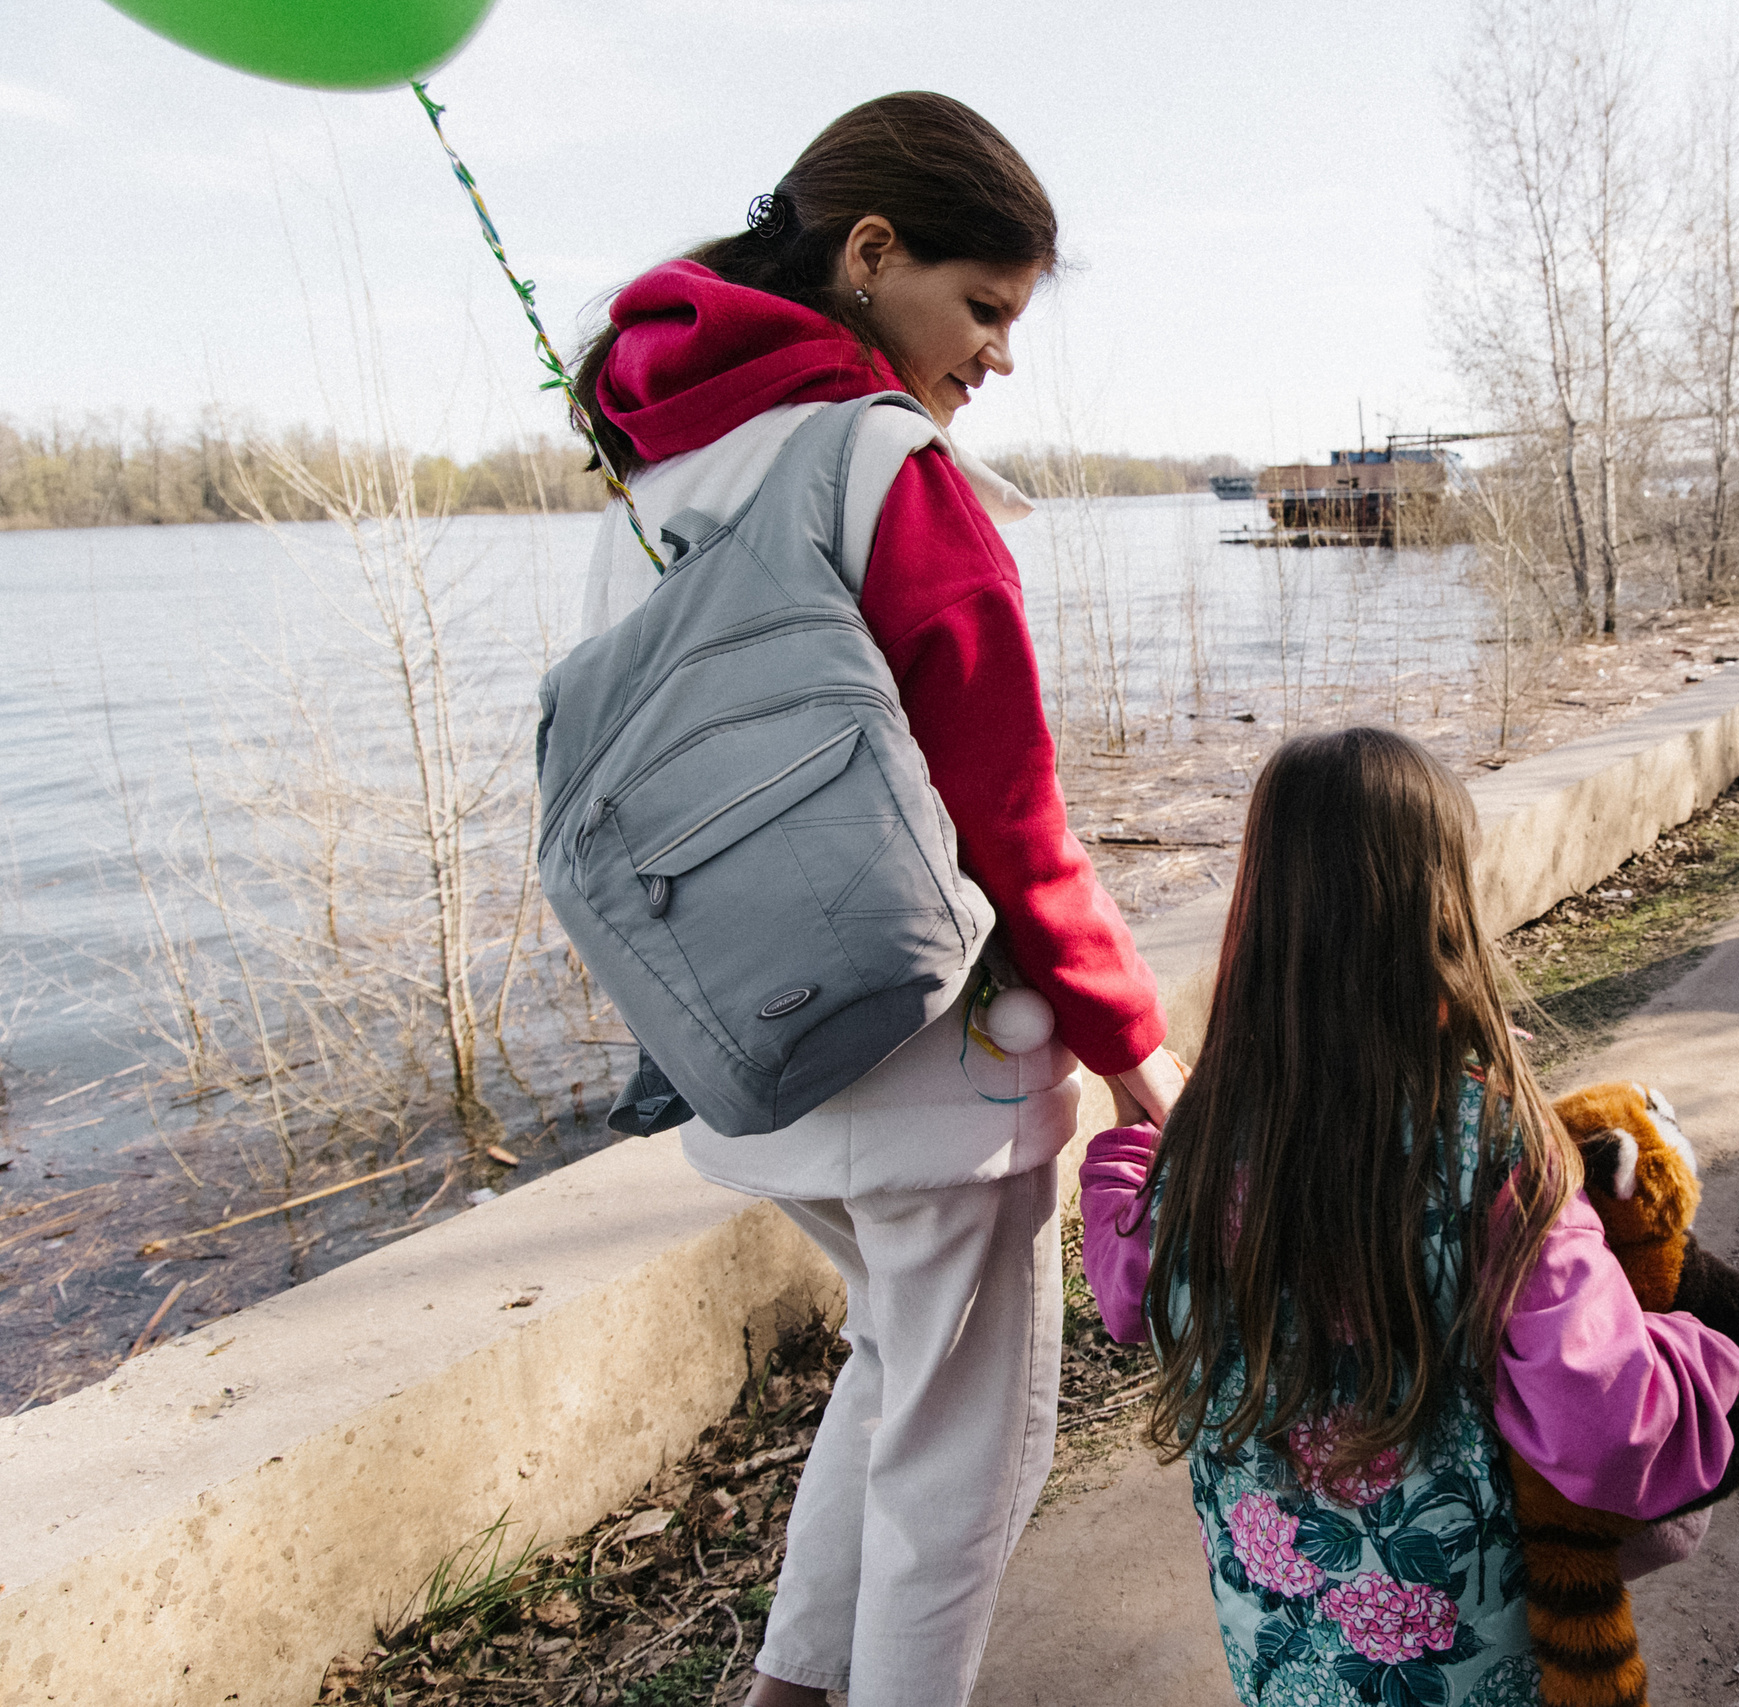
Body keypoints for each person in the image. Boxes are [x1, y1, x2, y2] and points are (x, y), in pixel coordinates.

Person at [571, 92, 1187, 1707]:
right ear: (868, 252)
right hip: (929, 1062)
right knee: (967, 1455)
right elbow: (1010, 816)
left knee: (893, 1372)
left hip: (750, 1052)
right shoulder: (881, 463)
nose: (999, 355)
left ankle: (786, 1690)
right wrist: (1138, 1051)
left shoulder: (660, 472)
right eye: (983, 305)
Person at [1078, 728, 1739, 1705]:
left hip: (1287, 1666)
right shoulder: (1496, 1149)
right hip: (1474, 1668)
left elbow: (1126, 1289)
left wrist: (1128, 1147)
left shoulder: (1207, 1140)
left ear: (1259, 917)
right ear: (1443, 911)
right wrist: (1697, 1353)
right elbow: (1602, 1423)